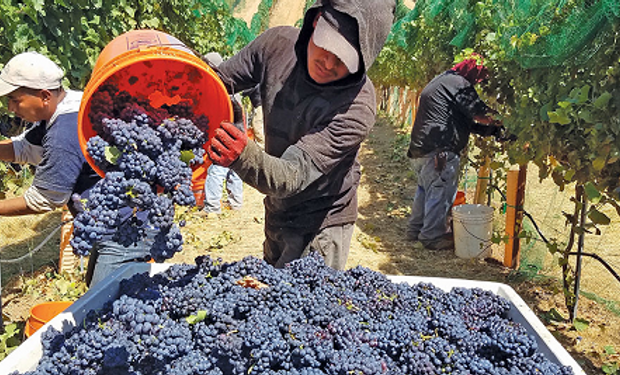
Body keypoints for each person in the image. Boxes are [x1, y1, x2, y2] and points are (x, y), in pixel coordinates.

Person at [207, 0, 396, 269]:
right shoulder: (276, 45)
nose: (329, 63)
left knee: (303, 306)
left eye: (344, 58)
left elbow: (291, 175)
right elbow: (216, 81)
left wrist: (242, 156)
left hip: (321, 223)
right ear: (316, 21)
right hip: (277, 209)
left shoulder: (356, 107)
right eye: (326, 46)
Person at [0, 52, 150, 287]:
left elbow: (44, 200)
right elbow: (25, 148)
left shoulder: (64, 131)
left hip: (124, 231)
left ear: (44, 96)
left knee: (104, 310)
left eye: (15, 99)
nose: (10, 108)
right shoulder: (72, 103)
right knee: (97, 297)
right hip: (112, 223)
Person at [404, 56, 505, 251]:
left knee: (425, 192)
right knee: (441, 193)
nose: (480, 81)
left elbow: (466, 123)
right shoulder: (459, 83)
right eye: (481, 76)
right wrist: (503, 121)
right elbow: (481, 114)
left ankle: (414, 231)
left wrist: (493, 132)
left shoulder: (444, 80)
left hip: (421, 150)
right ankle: (432, 237)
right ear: (473, 71)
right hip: (440, 152)